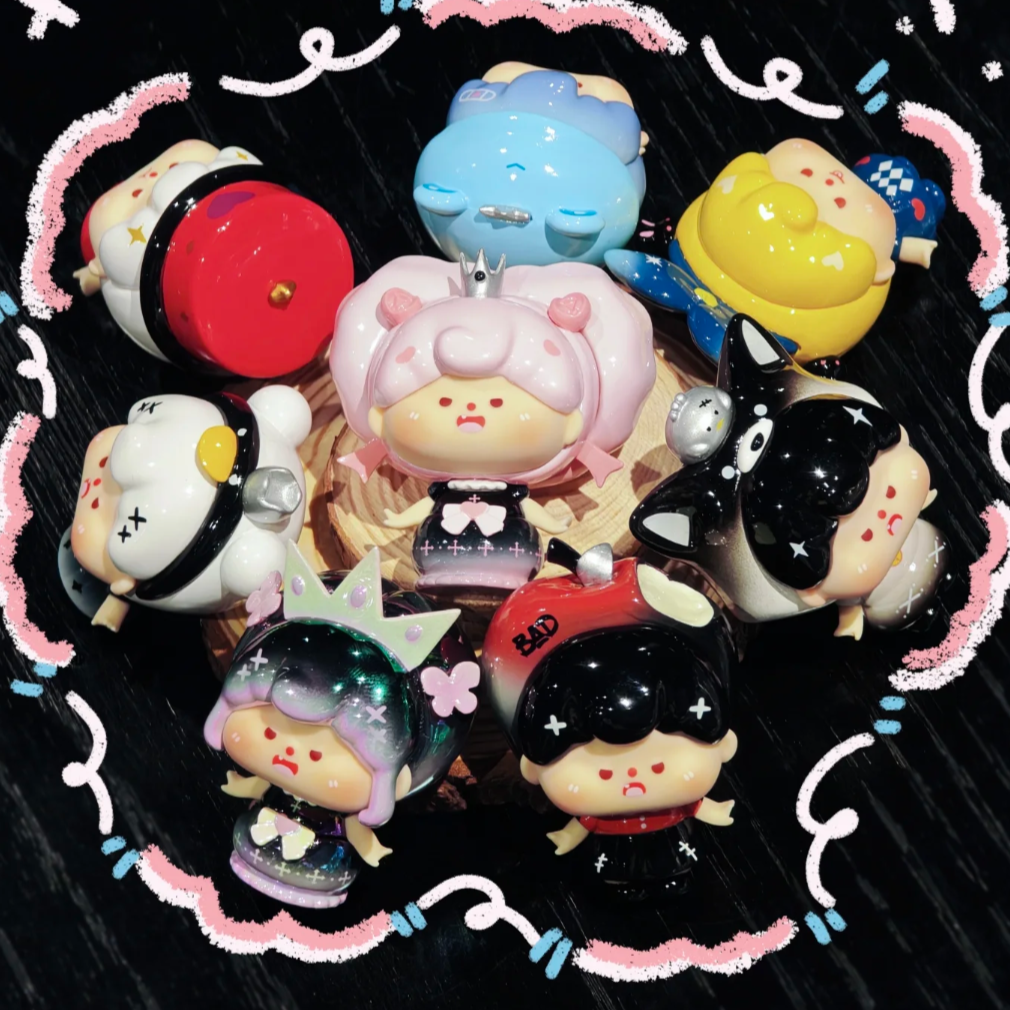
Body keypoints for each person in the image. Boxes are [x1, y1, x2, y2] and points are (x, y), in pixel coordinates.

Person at [330, 249, 655, 589]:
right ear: (379, 419)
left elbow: (529, 509)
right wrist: (402, 518)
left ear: (571, 426)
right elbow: (426, 505)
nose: (470, 413)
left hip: (512, 543)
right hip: (439, 543)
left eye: (497, 402)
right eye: (444, 401)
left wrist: (552, 524)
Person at [631, 314, 949, 638]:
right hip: (870, 596)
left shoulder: (788, 400)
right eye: (864, 531)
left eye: (886, 492)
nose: (883, 517)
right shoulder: (732, 509)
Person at [204, 544, 479, 908]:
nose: (288, 756)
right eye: (269, 732)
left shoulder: (381, 775)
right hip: (254, 834)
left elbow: (358, 831)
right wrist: (247, 784)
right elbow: (259, 783)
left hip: (327, 855)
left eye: (317, 754)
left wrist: (369, 846)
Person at [482, 540, 737, 901]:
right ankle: (622, 885)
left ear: (724, 744)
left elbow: (699, 805)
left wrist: (715, 809)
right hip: (609, 855)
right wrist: (567, 835)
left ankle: (673, 877)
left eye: (659, 766)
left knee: (677, 863)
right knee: (613, 876)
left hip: (676, 845)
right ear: (533, 767)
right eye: (604, 772)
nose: (634, 780)